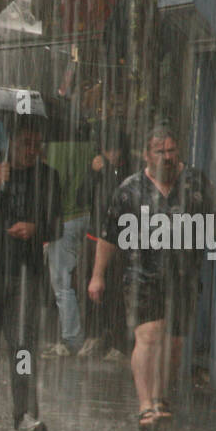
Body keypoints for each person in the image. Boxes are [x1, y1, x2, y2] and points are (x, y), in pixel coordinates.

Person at [89, 124, 216, 429]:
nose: (167, 157)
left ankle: (160, 396)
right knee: (148, 335)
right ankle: (145, 404)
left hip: (184, 276)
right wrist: (98, 276)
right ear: (147, 155)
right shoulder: (130, 190)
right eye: (159, 152)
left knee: (174, 344)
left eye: (171, 150)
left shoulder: (195, 184)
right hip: (141, 274)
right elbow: (108, 236)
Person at [0, 121, 61, 431]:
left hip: (26, 273)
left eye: (37, 144)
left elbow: (57, 223)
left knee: (24, 346)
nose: (32, 150)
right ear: (11, 142)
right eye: (26, 143)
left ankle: (24, 414)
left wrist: (36, 228)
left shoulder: (48, 177)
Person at [76, 127, 131, 361]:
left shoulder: (127, 172)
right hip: (94, 238)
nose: (112, 154)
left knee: (116, 293)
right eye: (108, 150)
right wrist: (93, 173)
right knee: (92, 289)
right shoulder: (98, 170)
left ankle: (117, 340)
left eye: (115, 150)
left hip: (118, 242)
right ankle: (95, 335)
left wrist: (107, 171)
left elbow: (118, 198)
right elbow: (82, 197)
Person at [42, 138, 95, 356]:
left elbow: (54, 187)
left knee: (61, 282)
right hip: (85, 215)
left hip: (65, 218)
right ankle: (78, 333)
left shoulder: (54, 147)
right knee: (73, 277)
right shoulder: (88, 144)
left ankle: (72, 337)